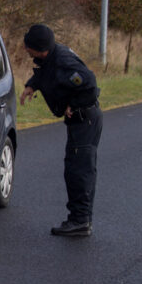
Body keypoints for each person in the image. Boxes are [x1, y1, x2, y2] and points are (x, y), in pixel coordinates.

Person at [19, 23, 102, 237]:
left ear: (39, 48)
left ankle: (80, 221)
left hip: (85, 119)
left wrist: (73, 105)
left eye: (28, 46)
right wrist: (31, 85)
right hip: (82, 121)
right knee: (75, 168)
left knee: (79, 170)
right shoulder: (52, 56)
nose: (26, 49)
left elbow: (90, 85)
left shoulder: (64, 61)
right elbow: (46, 74)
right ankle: (79, 219)